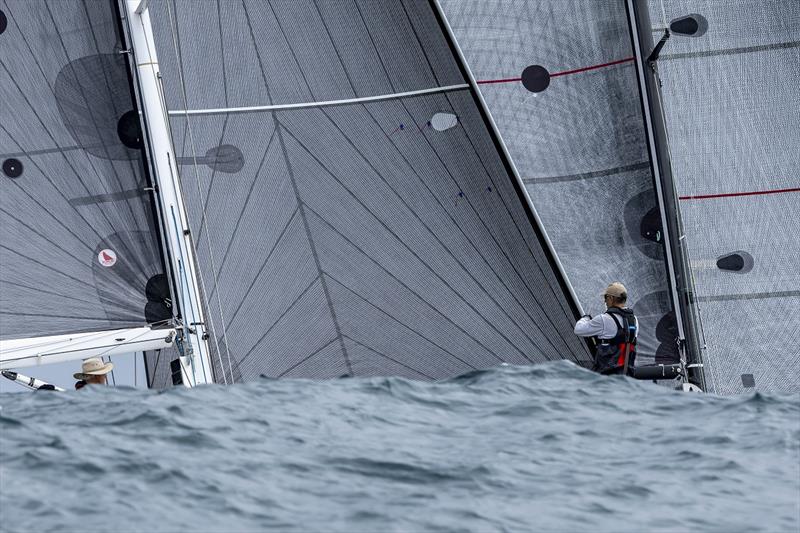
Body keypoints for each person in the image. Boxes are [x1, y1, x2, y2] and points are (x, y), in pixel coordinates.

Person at [574, 282, 638, 375]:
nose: (605, 301)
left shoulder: (603, 319)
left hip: (606, 376)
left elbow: (578, 330)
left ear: (611, 298)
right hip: (627, 375)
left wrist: (585, 318)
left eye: (605, 298)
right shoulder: (635, 320)